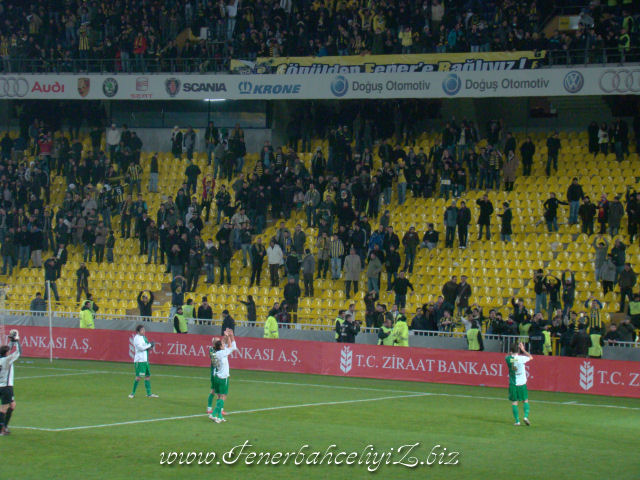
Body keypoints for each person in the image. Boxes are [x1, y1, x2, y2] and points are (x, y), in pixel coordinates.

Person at [207, 329, 238, 423]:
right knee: (223, 396)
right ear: (220, 347)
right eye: (222, 345)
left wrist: (227, 336)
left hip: (217, 377)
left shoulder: (217, 353)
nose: (224, 345)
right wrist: (231, 336)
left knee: (219, 396)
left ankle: (219, 416)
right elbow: (233, 347)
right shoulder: (223, 353)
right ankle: (213, 414)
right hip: (223, 378)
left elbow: (224, 344)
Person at [505, 342, 532, 426]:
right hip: (522, 383)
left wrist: (511, 352)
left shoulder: (508, 359)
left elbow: (507, 356)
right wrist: (523, 350)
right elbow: (531, 357)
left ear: (511, 350)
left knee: (514, 402)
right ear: (518, 350)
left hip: (513, 384)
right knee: (525, 400)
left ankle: (517, 421)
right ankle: (525, 416)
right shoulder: (521, 358)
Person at [0, 329, 21, 435]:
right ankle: (1, 430)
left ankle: (5, 426)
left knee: (12, 405)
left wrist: (11, 340)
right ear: (7, 353)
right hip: (6, 387)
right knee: (4, 408)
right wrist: (17, 341)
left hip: (2, 386)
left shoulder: (2, 358)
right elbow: (18, 352)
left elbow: (7, 349)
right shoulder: (7, 360)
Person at [129, 325, 158, 398]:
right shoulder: (136, 338)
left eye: (144, 330)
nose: (144, 331)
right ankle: (132, 393)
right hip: (140, 361)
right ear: (138, 331)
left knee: (147, 376)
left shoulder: (144, 337)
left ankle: (149, 394)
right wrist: (149, 345)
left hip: (145, 360)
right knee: (139, 377)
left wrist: (150, 347)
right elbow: (140, 348)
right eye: (142, 330)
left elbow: (146, 347)